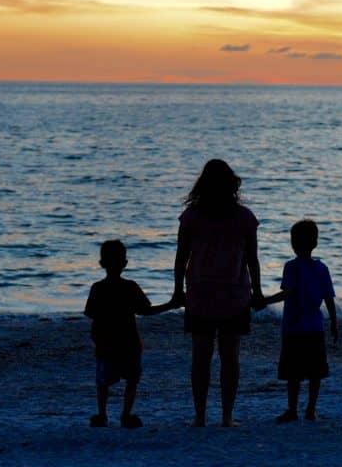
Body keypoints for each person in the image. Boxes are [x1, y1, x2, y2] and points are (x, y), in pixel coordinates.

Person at [173, 159, 263, 427]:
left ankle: (200, 416)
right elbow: (252, 260)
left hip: (200, 294)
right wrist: (257, 292)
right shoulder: (244, 217)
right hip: (234, 296)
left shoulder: (191, 216)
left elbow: (181, 258)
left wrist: (178, 290)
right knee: (230, 358)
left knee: (200, 358)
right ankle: (226, 416)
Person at [84, 239, 180, 428]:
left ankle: (102, 414)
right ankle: (125, 414)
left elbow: (91, 314)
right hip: (129, 343)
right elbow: (146, 311)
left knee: (102, 381)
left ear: (101, 264)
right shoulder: (130, 287)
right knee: (132, 379)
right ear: (125, 264)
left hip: (106, 343)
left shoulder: (98, 288)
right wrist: (170, 304)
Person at [256, 219, 338, 423]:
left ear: (293, 243)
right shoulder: (322, 268)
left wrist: (263, 301)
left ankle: (292, 409)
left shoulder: (291, 267)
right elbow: (329, 298)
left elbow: (288, 293)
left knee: (293, 373)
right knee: (315, 372)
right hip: (315, 327)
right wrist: (334, 322)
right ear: (315, 243)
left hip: (293, 328)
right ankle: (311, 409)